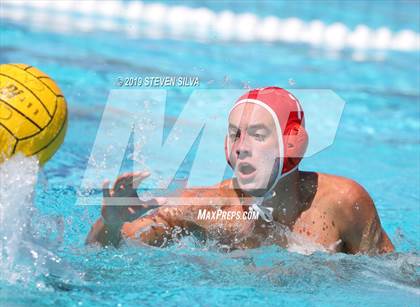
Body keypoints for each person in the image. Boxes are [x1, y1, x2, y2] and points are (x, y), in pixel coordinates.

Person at [86, 87, 394, 254]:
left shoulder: (342, 202)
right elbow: (107, 253)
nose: (241, 147)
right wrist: (110, 223)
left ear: (292, 143)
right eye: (235, 135)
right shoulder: (206, 207)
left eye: (258, 135)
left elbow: (391, 274)